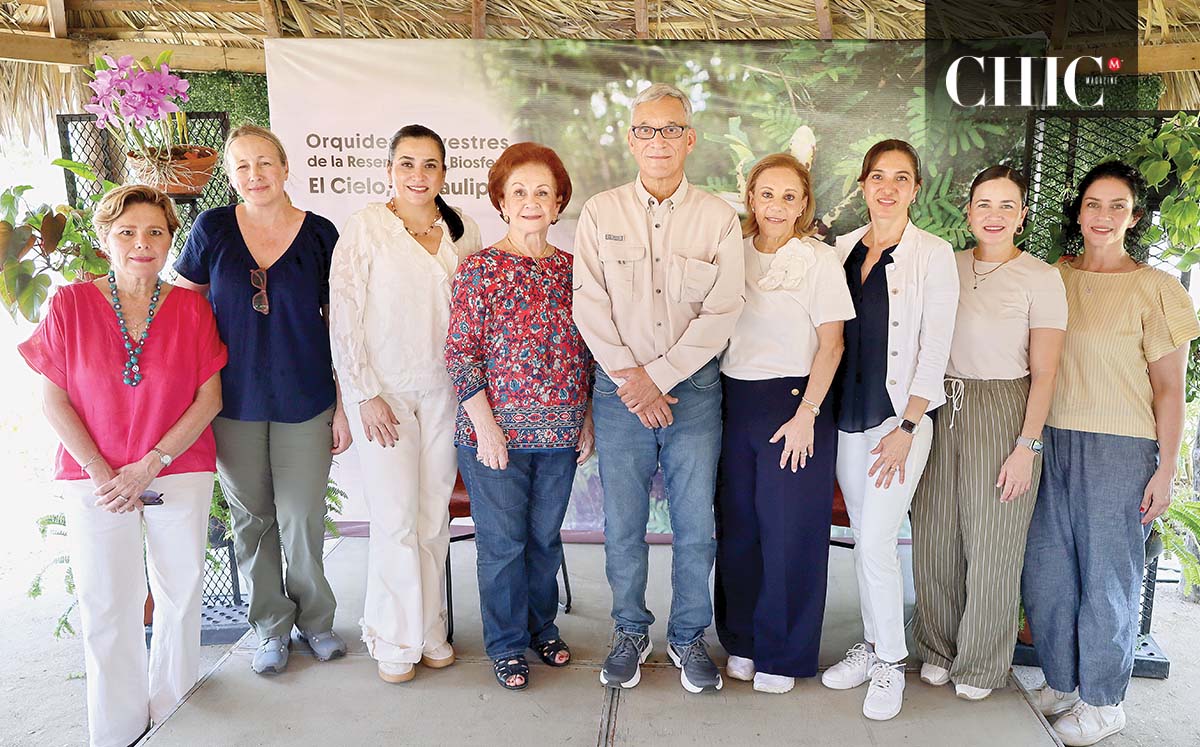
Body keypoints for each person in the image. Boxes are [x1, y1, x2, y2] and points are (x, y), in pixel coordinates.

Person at [18, 185, 226, 747]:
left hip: (177, 468)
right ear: (104, 238)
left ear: (170, 240)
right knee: (108, 601)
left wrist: (152, 462)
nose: (142, 243)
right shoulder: (69, 304)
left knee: (181, 597)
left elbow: (209, 400)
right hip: (94, 476)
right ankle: (115, 731)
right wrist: (102, 470)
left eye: (156, 232)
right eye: (128, 232)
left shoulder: (190, 308)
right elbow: (52, 398)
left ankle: (177, 716)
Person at [574, 82, 745, 694]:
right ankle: (630, 629)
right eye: (646, 129)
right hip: (619, 393)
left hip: (692, 392)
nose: (658, 141)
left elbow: (723, 312)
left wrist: (659, 380)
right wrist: (633, 381)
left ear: (690, 139)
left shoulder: (719, 217)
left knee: (695, 524)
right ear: (630, 139)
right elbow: (589, 305)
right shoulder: (600, 213)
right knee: (622, 523)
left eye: (671, 129)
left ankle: (689, 636)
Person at [1022, 161, 1199, 746]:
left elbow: (1170, 388)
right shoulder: (1050, 277)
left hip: (1121, 446)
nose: (1103, 216)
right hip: (1048, 439)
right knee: (1047, 571)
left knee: (1108, 578)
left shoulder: (1156, 288)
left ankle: (1104, 701)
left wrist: (1166, 469)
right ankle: (1063, 681)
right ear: (1078, 211)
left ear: (1134, 215)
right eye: (1094, 204)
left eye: (1117, 205)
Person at [174, 124, 352, 675]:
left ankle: (316, 621)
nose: (255, 175)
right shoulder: (213, 229)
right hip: (233, 402)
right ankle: (270, 628)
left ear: (285, 167)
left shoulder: (321, 234)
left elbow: (345, 327)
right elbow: (185, 311)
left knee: (301, 517)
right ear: (230, 177)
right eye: (243, 167)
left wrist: (344, 405)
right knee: (253, 519)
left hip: (308, 396)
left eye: (264, 163)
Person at [330, 124, 481, 684]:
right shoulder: (368, 227)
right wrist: (363, 394)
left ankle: (431, 630)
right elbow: (344, 315)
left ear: (444, 172)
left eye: (430, 165)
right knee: (394, 519)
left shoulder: (460, 231)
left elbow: (472, 320)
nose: (419, 176)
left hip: (444, 391)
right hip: (385, 394)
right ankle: (394, 638)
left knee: (431, 516)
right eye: (407, 164)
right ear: (389, 169)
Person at [910, 166, 1066, 701]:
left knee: (994, 542)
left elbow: (1045, 372)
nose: (993, 216)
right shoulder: (946, 266)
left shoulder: (1041, 277)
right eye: (984, 204)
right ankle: (937, 648)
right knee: (934, 535)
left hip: (1005, 408)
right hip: (939, 403)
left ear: (1022, 215)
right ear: (968, 210)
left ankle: (979, 663)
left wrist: (1027, 446)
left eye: (1006, 206)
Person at [445, 142, 594, 691]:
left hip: (560, 433)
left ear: (558, 204)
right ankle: (506, 645)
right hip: (494, 435)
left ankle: (541, 628)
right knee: (503, 543)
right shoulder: (479, 270)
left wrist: (587, 419)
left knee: (544, 539)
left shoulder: (576, 273)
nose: (531, 202)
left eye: (542, 192)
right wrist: (485, 425)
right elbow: (460, 353)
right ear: (502, 203)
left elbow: (589, 353)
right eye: (519, 192)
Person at [821, 139, 958, 721]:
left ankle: (889, 665)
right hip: (846, 416)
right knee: (862, 541)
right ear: (862, 184)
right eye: (878, 176)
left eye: (901, 178)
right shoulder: (842, 249)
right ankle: (874, 644)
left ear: (916, 189)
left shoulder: (934, 253)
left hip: (898, 419)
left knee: (876, 540)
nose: (888, 188)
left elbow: (935, 347)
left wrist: (908, 423)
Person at [715, 153, 854, 695]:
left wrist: (807, 415)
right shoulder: (732, 255)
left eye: (789, 196)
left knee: (790, 533)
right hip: (734, 402)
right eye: (767, 194)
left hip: (797, 403)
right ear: (751, 198)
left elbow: (833, 342)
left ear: (804, 205)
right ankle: (743, 641)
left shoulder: (818, 261)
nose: (777, 205)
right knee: (740, 528)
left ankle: (784, 653)